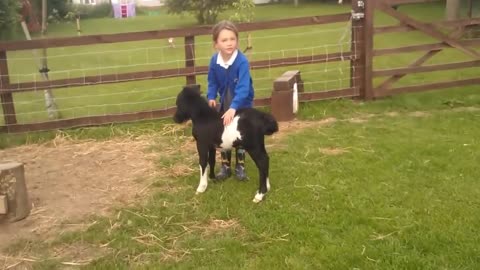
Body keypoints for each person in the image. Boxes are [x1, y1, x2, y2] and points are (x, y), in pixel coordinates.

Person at [207, 20, 254, 181]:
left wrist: (234, 107)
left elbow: (243, 87)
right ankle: (225, 167)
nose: (229, 43)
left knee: (239, 132)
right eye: (224, 40)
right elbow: (212, 81)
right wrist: (211, 97)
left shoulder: (242, 61)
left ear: (237, 40)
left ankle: (240, 166)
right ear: (216, 44)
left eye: (232, 39)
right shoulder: (214, 61)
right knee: (224, 131)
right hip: (225, 100)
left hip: (242, 102)